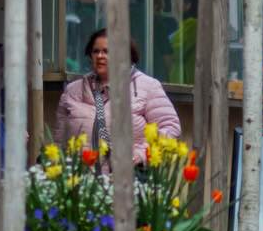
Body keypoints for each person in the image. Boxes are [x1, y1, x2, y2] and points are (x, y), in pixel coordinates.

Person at [55, 27, 181, 170]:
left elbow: (171, 128)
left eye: (107, 51)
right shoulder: (73, 91)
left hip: (127, 180)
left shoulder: (148, 87)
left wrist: (140, 155)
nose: (100, 56)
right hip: (83, 184)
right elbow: (60, 141)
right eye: (96, 51)